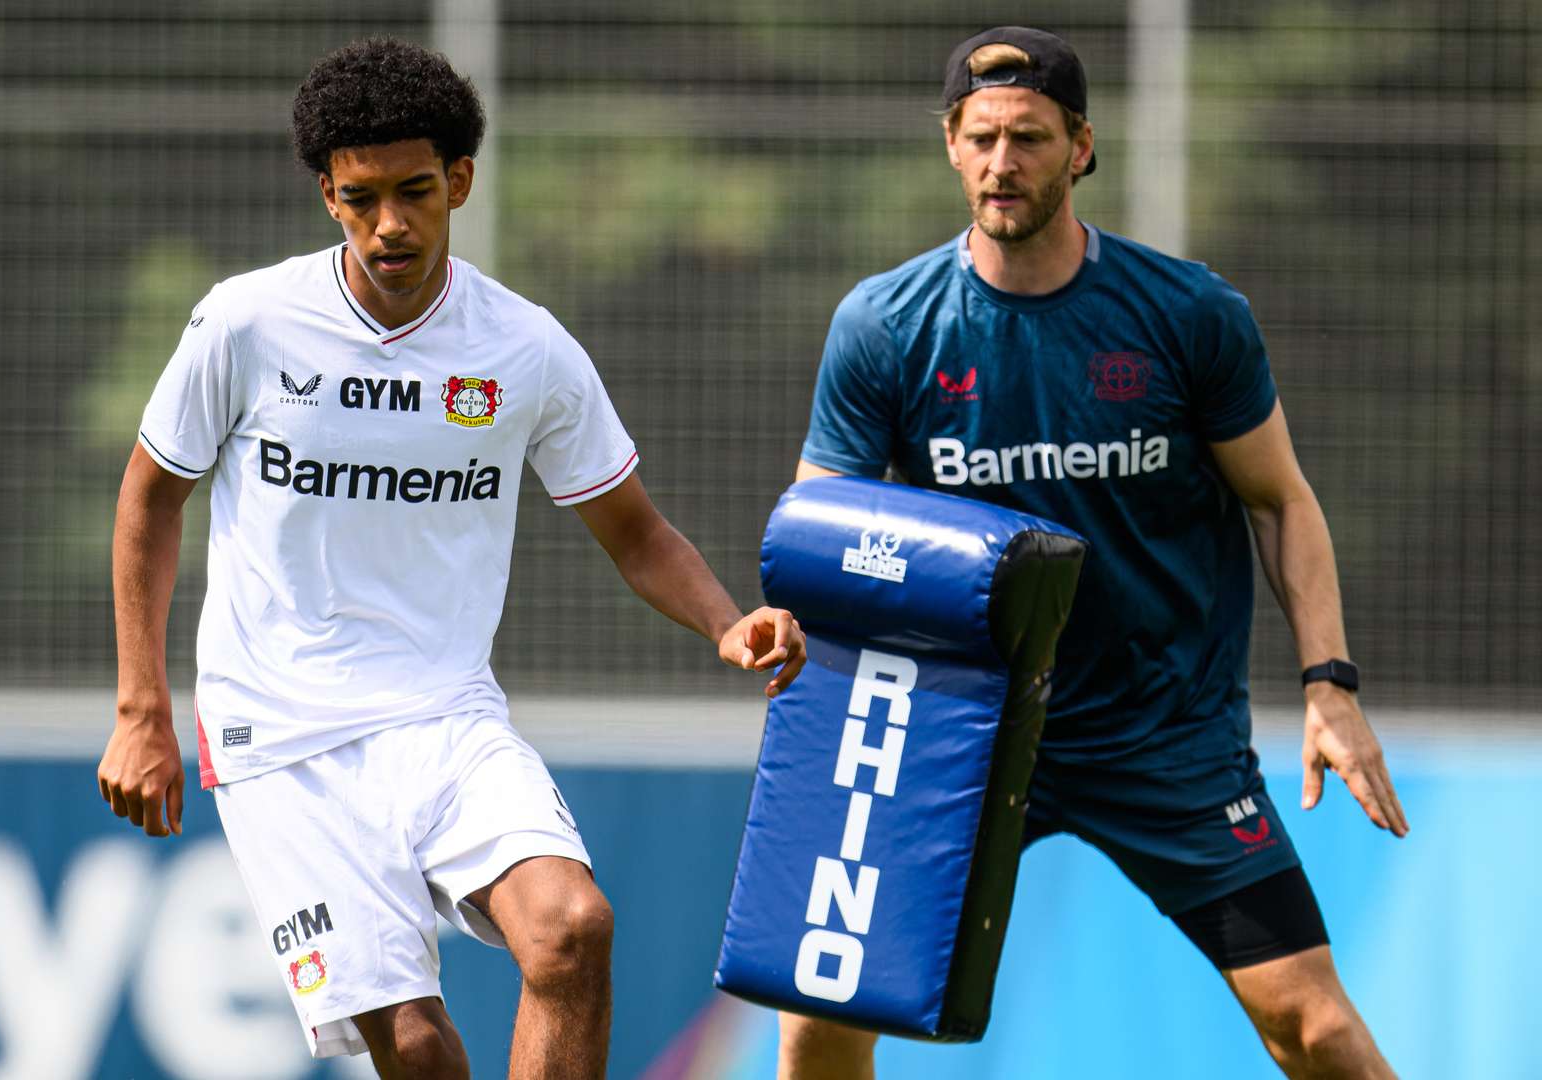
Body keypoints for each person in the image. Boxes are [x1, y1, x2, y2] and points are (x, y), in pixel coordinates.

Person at [95, 37, 805, 1080]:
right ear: (327, 195)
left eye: (417, 190)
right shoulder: (245, 323)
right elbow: (153, 498)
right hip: (283, 734)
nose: (392, 223)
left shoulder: (525, 350)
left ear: (459, 181)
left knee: (571, 928)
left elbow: (637, 529)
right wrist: (141, 709)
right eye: (363, 196)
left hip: (446, 715)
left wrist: (723, 620)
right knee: (419, 1050)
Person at [784, 26, 1406, 1080]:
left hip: (1162, 738)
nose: (1002, 162)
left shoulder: (1188, 314)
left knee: (1312, 1025)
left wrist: (1328, 683)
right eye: (981, 136)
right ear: (948, 142)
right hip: (960, 733)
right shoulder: (885, 326)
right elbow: (822, 531)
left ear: (1080, 147)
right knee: (820, 1021)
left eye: (1029, 137)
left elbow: (1282, 502)